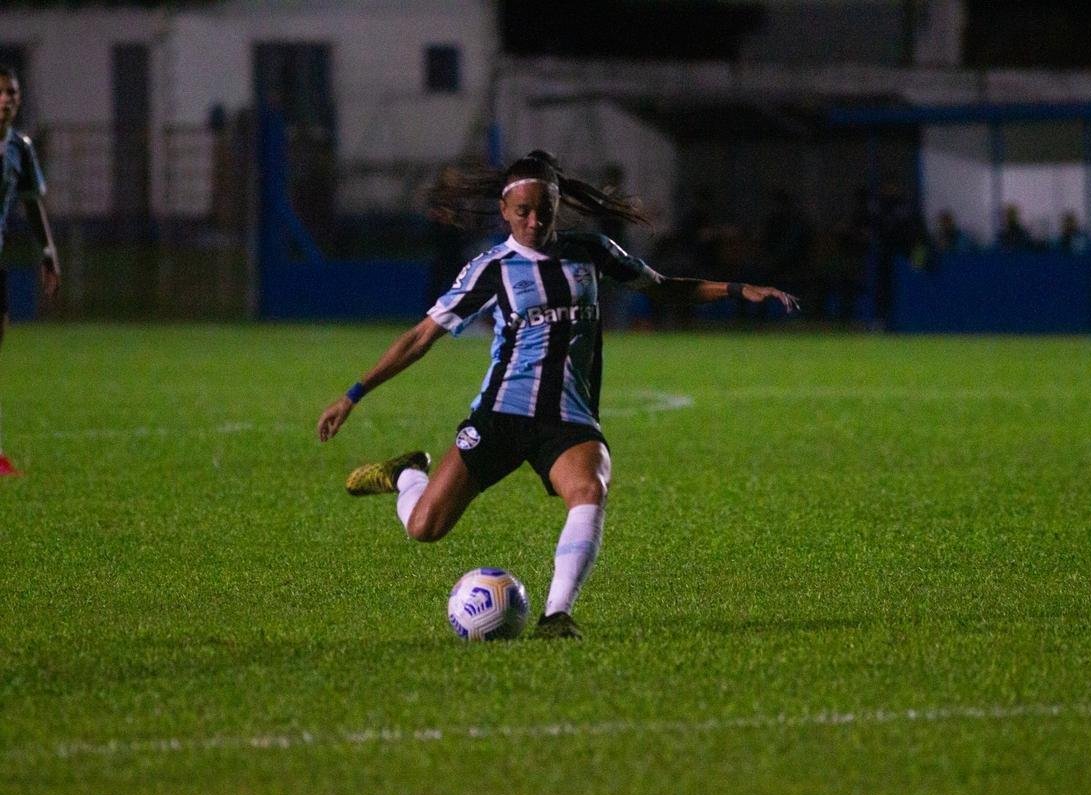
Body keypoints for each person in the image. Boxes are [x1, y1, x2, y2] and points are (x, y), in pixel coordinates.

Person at [316, 150, 798, 639]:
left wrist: (737, 290)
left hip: (568, 417)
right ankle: (405, 476)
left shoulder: (591, 250)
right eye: (522, 211)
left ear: (557, 206)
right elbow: (420, 337)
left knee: (589, 490)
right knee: (424, 528)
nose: (533, 221)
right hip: (501, 414)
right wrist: (353, 394)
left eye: (543, 210)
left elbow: (663, 287)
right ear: (505, 210)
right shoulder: (491, 268)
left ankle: (556, 614)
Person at [0, 65, 60, 476]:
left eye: (12, 92)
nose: (6, 99)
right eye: (0, 92)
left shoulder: (20, 147)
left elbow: (31, 202)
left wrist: (48, 250)